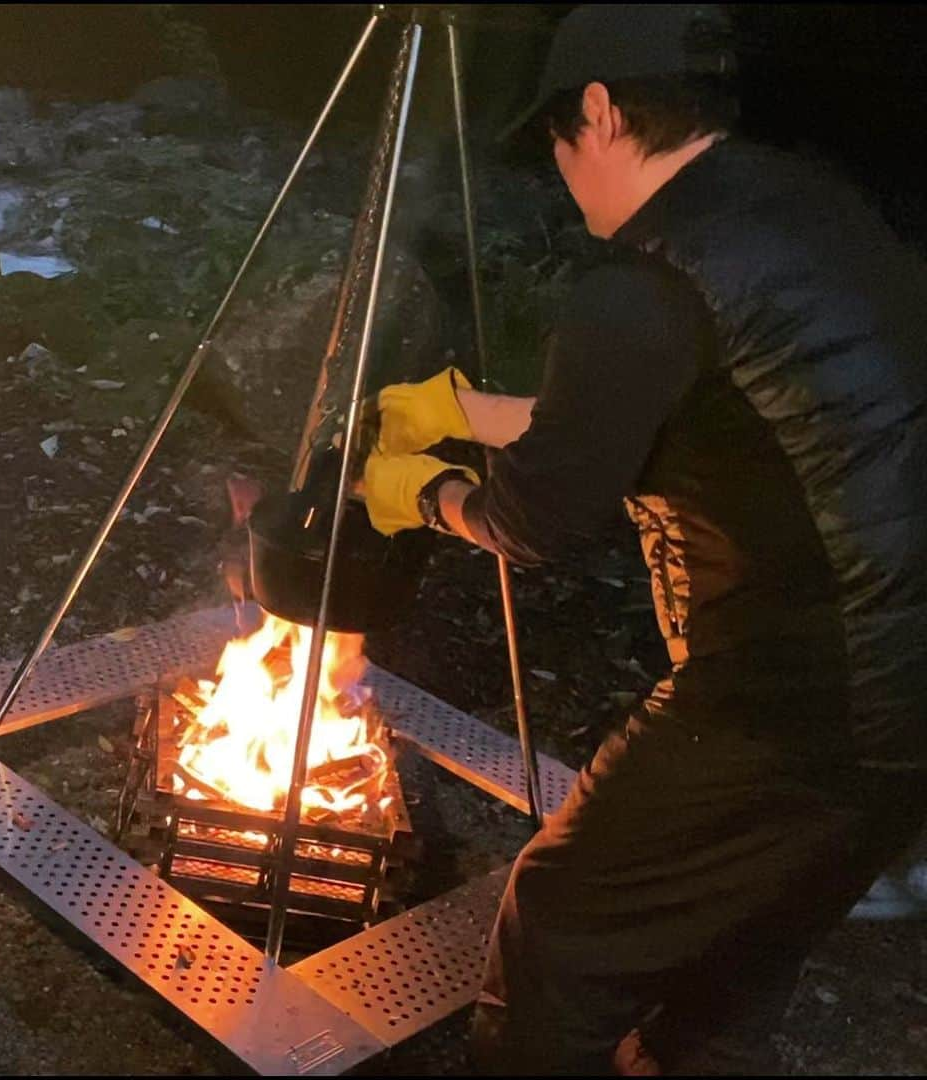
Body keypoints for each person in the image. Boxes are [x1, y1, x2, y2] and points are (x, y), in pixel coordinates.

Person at [361, 4, 927, 1074]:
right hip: (906, 698)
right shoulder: (802, 205)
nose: (563, 174)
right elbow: (670, 413)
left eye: (559, 143)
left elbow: (539, 517)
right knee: (734, 959)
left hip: (801, 701)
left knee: (563, 926)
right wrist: (464, 407)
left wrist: (423, 493)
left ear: (602, 109)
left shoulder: (646, 280)